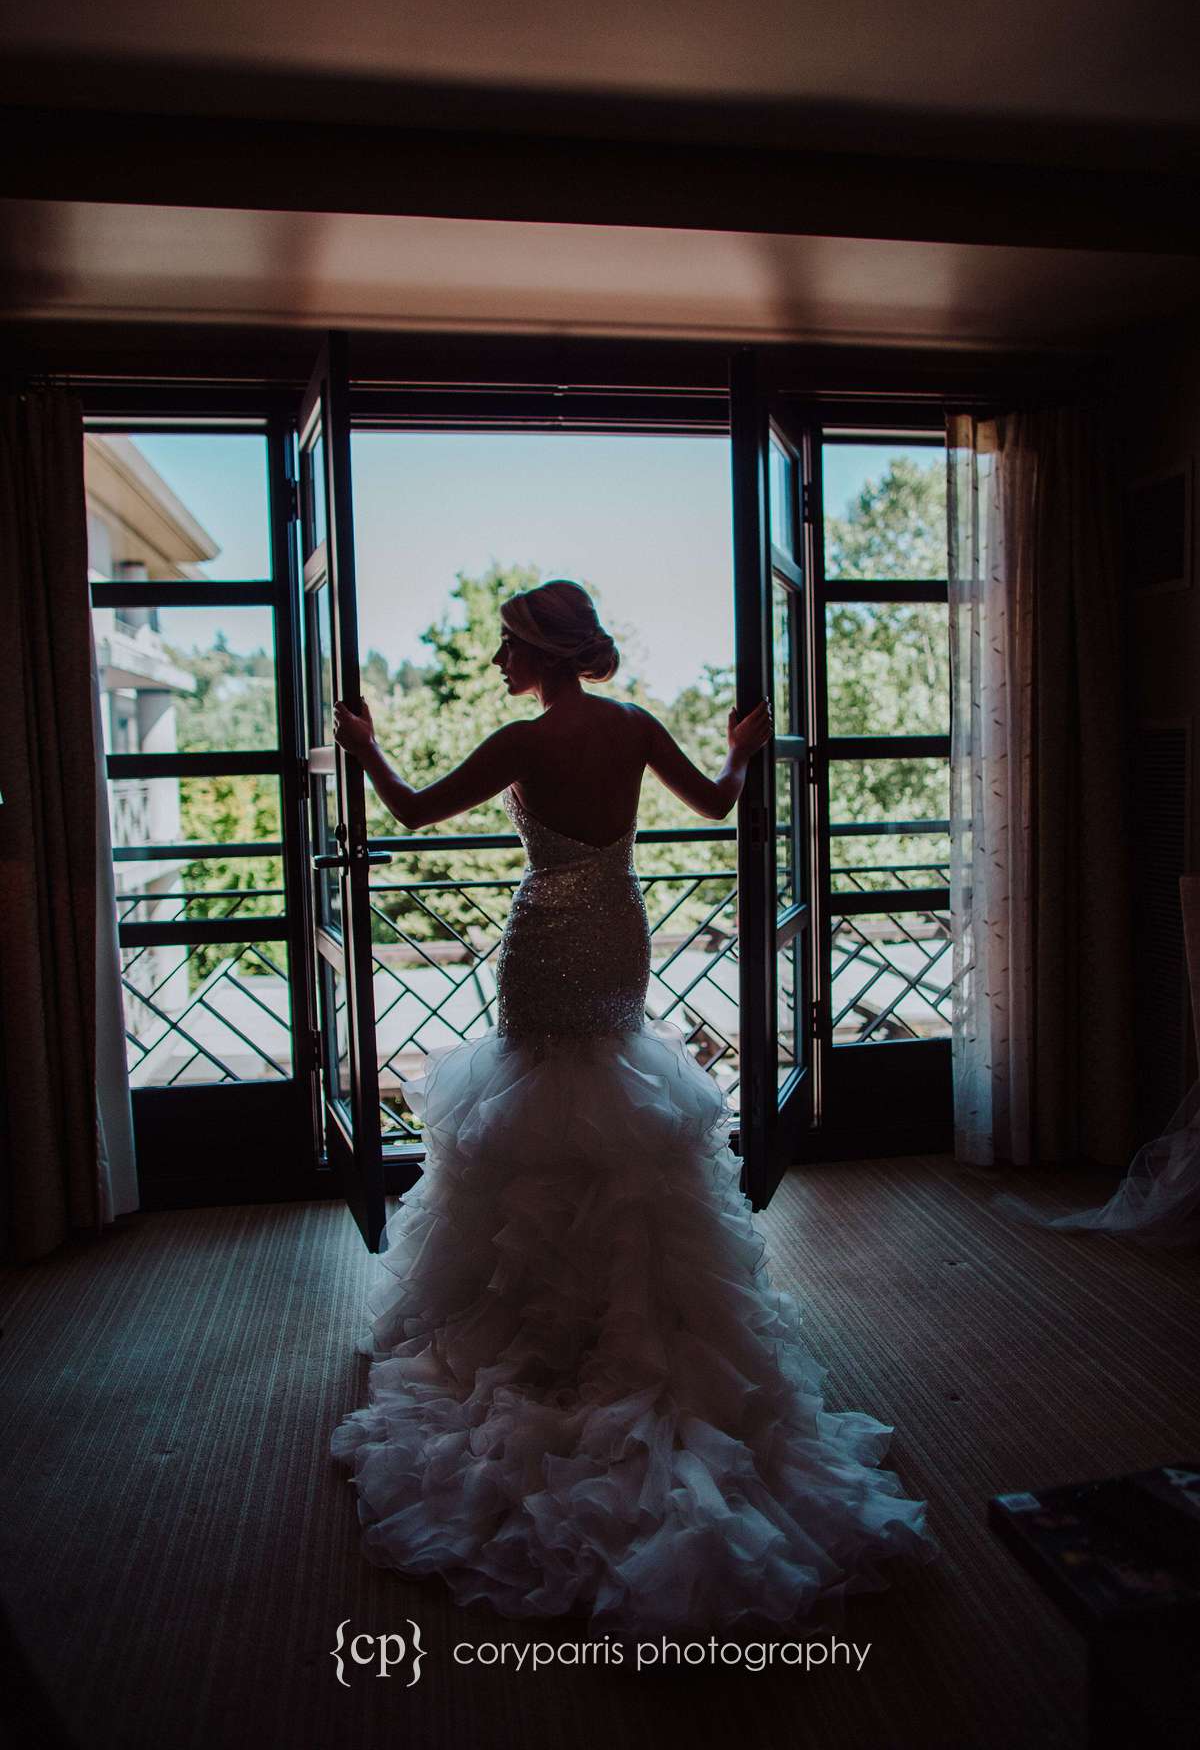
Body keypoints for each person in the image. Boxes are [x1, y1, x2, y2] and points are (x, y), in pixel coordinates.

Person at [329, 578, 937, 1633]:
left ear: (541, 652)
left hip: (545, 938)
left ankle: (533, 1315)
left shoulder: (524, 743)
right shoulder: (633, 725)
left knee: (535, 1109)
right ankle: (632, 1308)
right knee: (612, 1098)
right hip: (618, 928)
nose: (497, 666)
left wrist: (365, 743)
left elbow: (414, 810)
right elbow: (716, 801)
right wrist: (745, 745)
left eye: (506, 648)